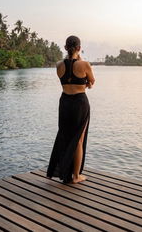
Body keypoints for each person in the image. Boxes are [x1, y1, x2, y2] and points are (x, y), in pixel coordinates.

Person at [46, 35, 95, 184]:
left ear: (65, 47)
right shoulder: (85, 64)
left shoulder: (58, 65)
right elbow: (91, 82)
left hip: (65, 102)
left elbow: (66, 80)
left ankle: (65, 172)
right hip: (80, 103)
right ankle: (75, 176)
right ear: (79, 48)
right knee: (79, 140)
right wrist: (85, 84)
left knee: (65, 136)